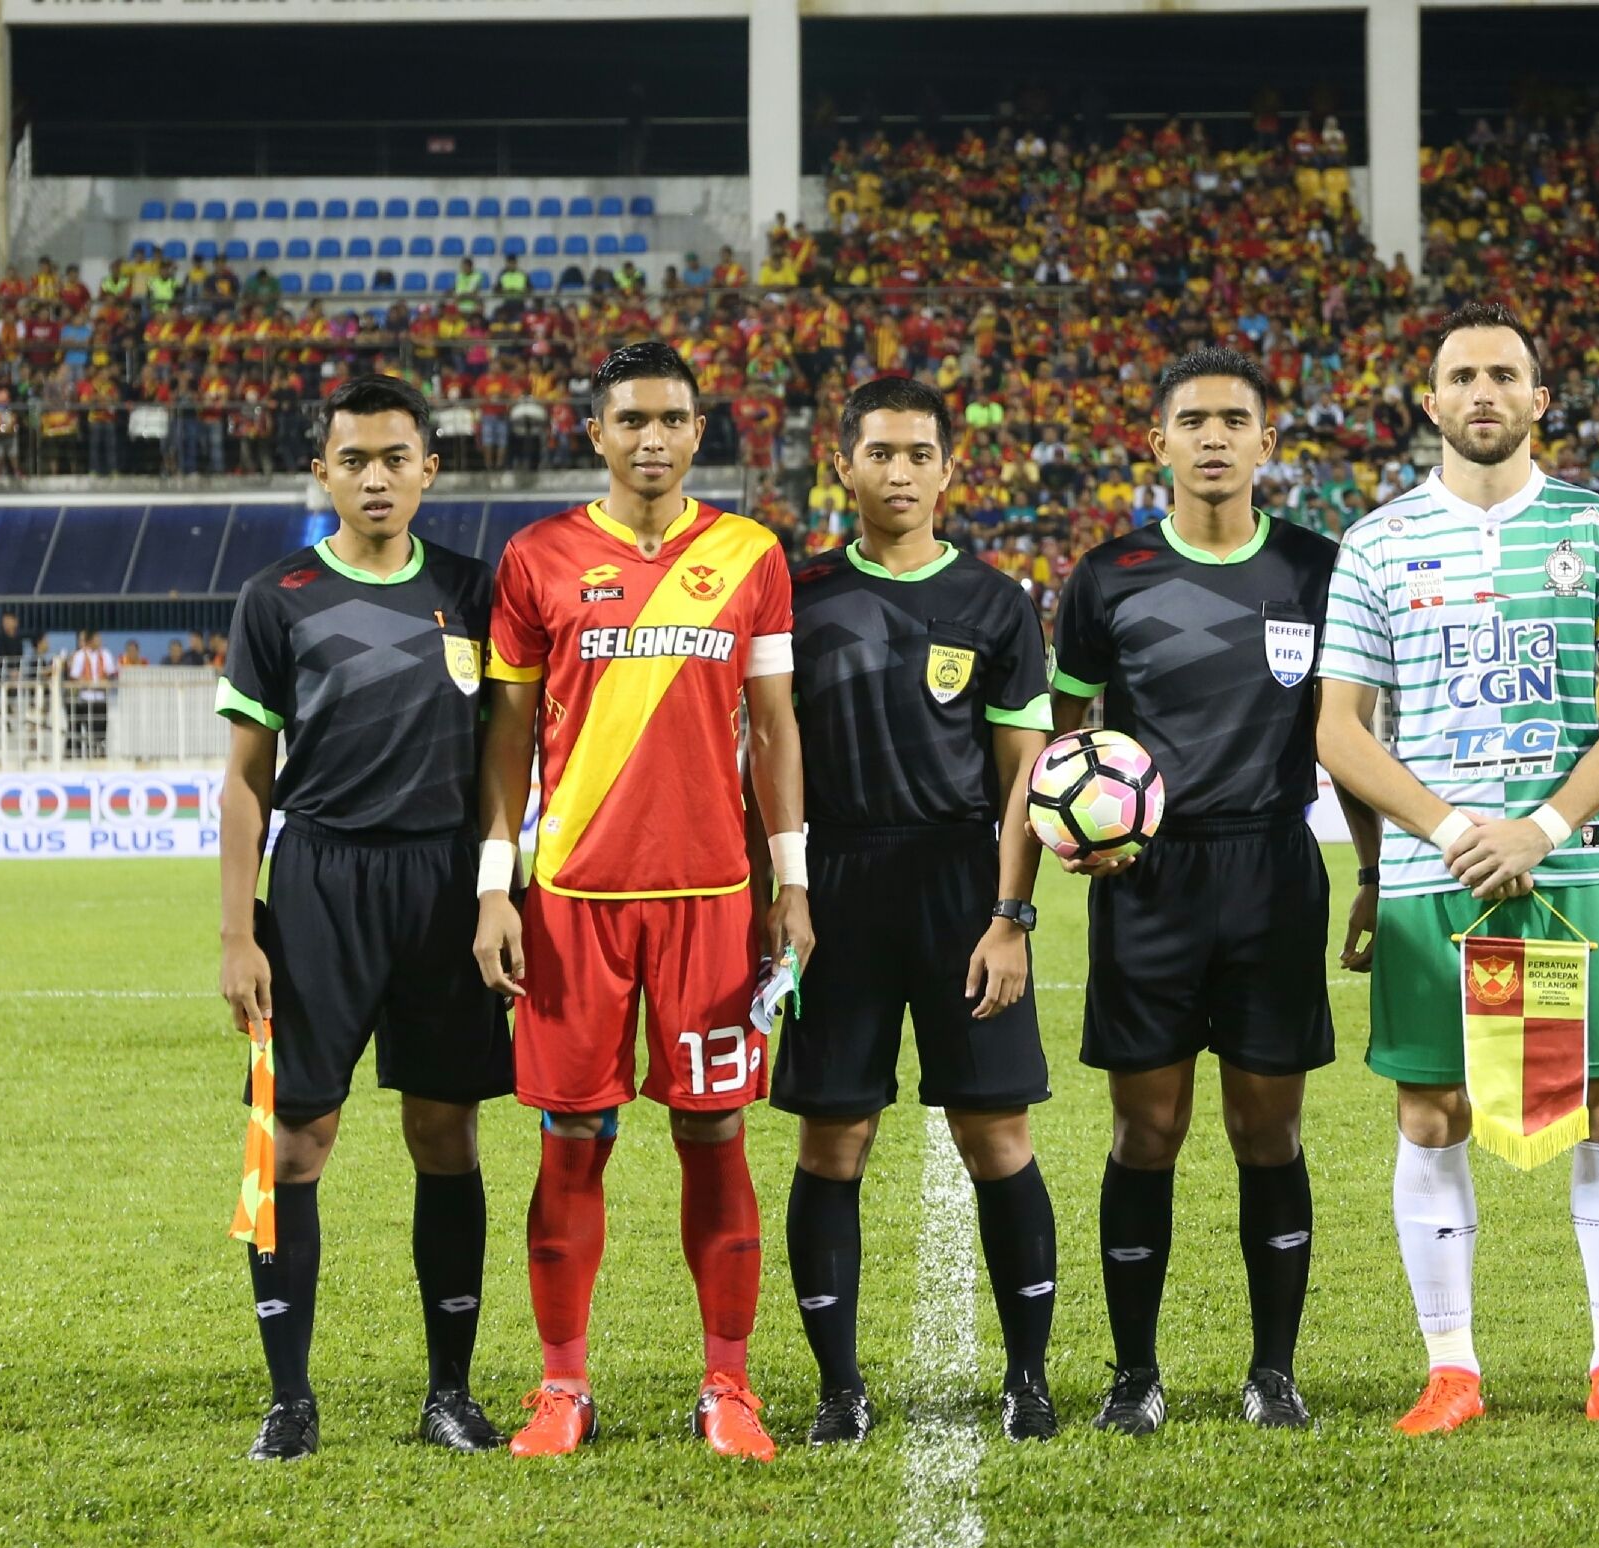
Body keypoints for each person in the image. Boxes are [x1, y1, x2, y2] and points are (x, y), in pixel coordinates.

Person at [1313, 302, 1599, 1438]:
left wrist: (1544, 825)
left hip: (1568, 872)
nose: (1483, 392)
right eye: (1461, 376)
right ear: (1429, 401)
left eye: (1504, 375)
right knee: (1432, 1111)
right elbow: (1338, 726)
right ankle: (1451, 1369)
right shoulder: (1373, 544)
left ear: (1538, 400)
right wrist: (1447, 828)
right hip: (1438, 882)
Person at [474, 340, 810, 1460]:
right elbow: (509, 734)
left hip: (714, 893)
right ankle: (561, 1389)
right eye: (631, 421)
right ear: (597, 432)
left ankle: (729, 1386)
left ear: (699, 431)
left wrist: (789, 880)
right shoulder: (538, 557)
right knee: (571, 1140)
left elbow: (773, 728)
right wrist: (496, 886)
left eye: (671, 420)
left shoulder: (752, 553)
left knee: (715, 1135)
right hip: (571, 897)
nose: (651, 440)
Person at [1051, 345, 1369, 1433]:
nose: (1216, 437)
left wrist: (1370, 871)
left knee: (1266, 1131)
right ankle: (1134, 1373)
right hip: (1148, 877)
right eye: (1194, 421)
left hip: (1275, 869)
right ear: (1159, 443)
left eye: (1237, 419)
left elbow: (1347, 735)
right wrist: (1074, 834)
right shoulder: (1106, 577)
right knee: (1147, 1130)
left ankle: (1270, 1372)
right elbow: (1062, 739)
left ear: (1269, 441)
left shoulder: (1320, 570)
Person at [215, 375, 514, 1461]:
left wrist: (494, 883)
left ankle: (449, 1393)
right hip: (319, 884)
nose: (376, 477)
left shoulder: (479, 591)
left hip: (444, 887)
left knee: (445, 1131)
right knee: (297, 1140)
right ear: (324, 472)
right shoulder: (277, 595)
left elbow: (503, 759)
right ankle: (288, 1398)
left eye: (396, 457)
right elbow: (247, 779)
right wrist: (237, 931)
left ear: (430, 469)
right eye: (355, 460)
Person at [777, 376, 1060, 1445]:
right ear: (842, 464)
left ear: (949, 469)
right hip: (837, 886)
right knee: (832, 1141)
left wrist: (1009, 917)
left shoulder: (993, 603)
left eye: (918, 454)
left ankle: (1026, 1375)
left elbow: (1021, 775)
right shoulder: (795, 596)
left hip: (958, 884)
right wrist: (790, 885)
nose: (898, 471)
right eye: (879, 452)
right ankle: (838, 1386)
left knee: (997, 1136)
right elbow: (775, 748)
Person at [66, 630, 118, 758]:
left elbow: (112, 673)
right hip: (85, 698)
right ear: (90, 641)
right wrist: (84, 682)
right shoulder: (80, 655)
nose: (99, 641)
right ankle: (84, 754)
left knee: (100, 730)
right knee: (86, 729)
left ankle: (99, 754)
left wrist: (106, 680)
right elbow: (74, 676)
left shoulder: (105, 654)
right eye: (96, 639)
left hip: (100, 698)